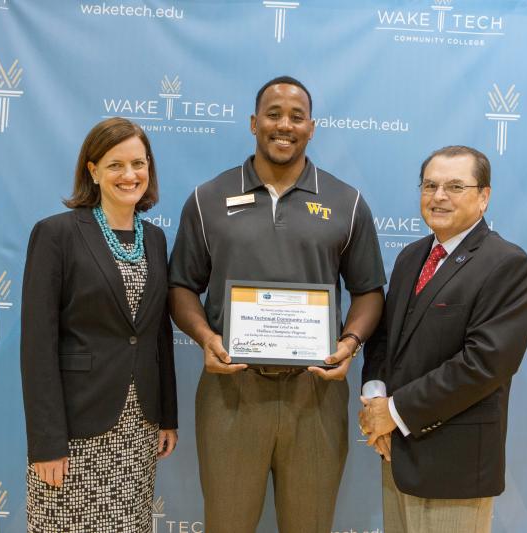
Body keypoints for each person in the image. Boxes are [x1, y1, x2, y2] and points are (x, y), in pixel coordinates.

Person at [168, 76, 386, 533]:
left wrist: (349, 343)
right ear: (253, 123)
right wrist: (206, 338)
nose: (284, 125)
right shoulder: (207, 199)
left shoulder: (347, 202)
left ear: (312, 127)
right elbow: (181, 287)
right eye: (273, 114)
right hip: (232, 391)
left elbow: (368, 290)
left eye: (296, 116)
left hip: (316, 392)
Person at [359, 145, 527, 533]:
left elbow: (484, 365)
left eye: (455, 186)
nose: (439, 196)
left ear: (484, 196)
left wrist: (393, 412)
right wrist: (375, 398)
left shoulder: (506, 264)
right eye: (430, 185)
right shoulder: (411, 257)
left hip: (453, 469)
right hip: (396, 456)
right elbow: (385, 338)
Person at [20, 117, 178, 533]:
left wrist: (167, 417)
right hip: (75, 431)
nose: (130, 175)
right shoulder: (57, 235)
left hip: (138, 428)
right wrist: (47, 444)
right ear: (92, 170)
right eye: (115, 165)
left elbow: (159, 335)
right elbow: (37, 347)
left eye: (139, 164)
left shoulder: (157, 240)